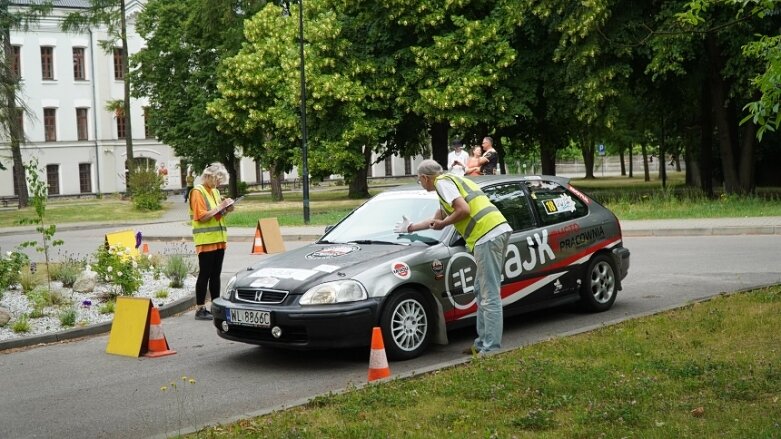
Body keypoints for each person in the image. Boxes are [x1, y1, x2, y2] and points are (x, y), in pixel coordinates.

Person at [393, 159, 512, 355]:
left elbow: (462, 210)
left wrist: (445, 223)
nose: (420, 184)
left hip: (487, 235)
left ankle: (490, 349)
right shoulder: (451, 183)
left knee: (489, 294)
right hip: (495, 231)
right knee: (480, 290)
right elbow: (436, 220)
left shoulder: (442, 183)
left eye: (419, 180)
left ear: (425, 177)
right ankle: (482, 344)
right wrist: (411, 227)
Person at [189, 162, 234, 320]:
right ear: (209, 176)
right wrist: (219, 207)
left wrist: (226, 209)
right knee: (205, 274)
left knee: (216, 274)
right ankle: (200, 309)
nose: (219, 183)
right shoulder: (197, 192)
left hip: (218, 239)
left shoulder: (214, 191)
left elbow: (216, 215)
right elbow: (201, 216)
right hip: (206, 240)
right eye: (218, 179)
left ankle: (216, 306)